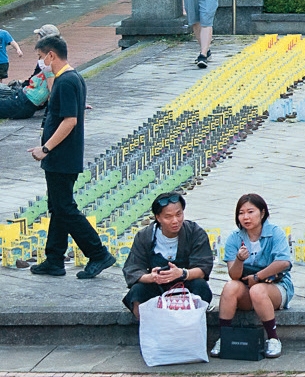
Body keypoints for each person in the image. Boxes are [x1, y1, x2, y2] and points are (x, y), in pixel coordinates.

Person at [27, 35, 114, 280]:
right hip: (64, 157)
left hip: (61, 157)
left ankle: (97, 253)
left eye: (40, 56)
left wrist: (45, 149)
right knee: (57, 206)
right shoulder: (72, 78)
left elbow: (69, 121)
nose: (41, 62)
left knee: (65, 208)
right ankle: (54, 258)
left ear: (50, 55)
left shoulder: (66, 81)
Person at [215, 193, 292, 359]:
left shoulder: (275, 233)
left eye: (251, 212)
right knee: (230, 287)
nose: (246, 217)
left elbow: (283, 262)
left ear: (262, 213)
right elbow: (233, 275)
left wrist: (257, 276)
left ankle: (273, 338)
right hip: (246, 288)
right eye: (241, 213)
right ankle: (224, 338)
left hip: (275, 287)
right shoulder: (234, 238)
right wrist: (239, 259)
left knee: (257, 290)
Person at [122, 191, 214, 320]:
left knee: (200, 286)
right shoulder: (144, 236)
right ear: (158, 218)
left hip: (186, 284)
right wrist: (151, 277)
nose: (175, 221)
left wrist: (182, 273)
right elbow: (133, 268)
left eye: (179, 214)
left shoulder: (194, 232)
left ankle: (190, 328)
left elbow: (203, 267)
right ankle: (147, 330)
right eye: (168, 217)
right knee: (137, 291)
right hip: (157, 285)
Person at [0, 25, 59, 120]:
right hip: (23, 98)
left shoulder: (48, 63)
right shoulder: (54, 58)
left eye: (38, 37)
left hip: (23, 103)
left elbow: (53, 90)